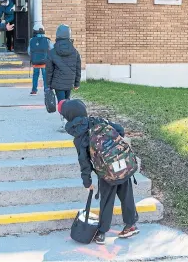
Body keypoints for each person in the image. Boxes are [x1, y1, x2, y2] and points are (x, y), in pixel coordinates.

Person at [58, 99, 140, 245]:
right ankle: (130, 225)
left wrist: (87, 182)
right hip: (121, 166)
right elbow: (120, 129)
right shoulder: (98, 120)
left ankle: (102, 233)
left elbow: (84, 161)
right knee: (127, 196)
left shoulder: (79, 136)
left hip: (106, 173)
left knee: (107, 200)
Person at [46, 24, 81, 130]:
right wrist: (76, 83)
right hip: (69, 82)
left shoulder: (52, 52)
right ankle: (68, 121)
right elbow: (77, 68)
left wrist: (48, 85)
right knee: (68, 101)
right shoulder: (75, 51)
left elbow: (49, 70)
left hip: (58, 83)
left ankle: (64, 122)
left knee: (61, 103)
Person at [28, 23, 53, 95]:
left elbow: (29, 52)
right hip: (45, 62)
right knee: (45, 76)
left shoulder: (31, 40)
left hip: (35, 62)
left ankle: (34, 90)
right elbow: (52, 49)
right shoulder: (47, 40)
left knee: (35, 75)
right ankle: (46, 90)